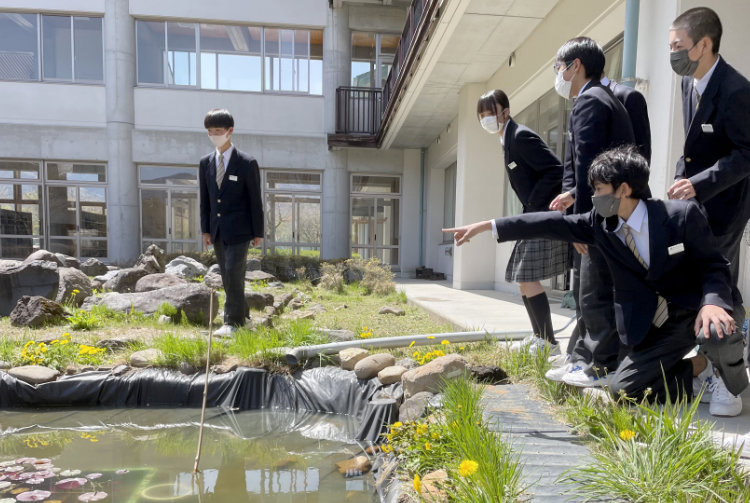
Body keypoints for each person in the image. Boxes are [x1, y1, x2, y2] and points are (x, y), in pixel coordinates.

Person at [444, 146, 748, 411]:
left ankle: (729, 381)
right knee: (624, 391)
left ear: (624, 189)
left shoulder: (681, 216)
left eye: (600, 190)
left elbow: (714, 264)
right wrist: (489, 226)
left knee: (718, 329)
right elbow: (549, 223)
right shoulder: (601, 224)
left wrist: (712, 304)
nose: (593, 198)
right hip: (660, 325)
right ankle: (701, 368)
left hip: (700, 308)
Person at [667, 6, 750, 415]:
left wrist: (698, 184)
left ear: (704, 44)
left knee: (720, 289)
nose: (673, 54)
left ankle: (730, 383)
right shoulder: (689, 83)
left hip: (726, 208)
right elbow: (695, 146)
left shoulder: (736, 90)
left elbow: (746, 156)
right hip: (694, 207)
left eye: (678, 47)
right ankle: (710, 364)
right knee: (699, 285)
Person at [547, 37, 635, 388]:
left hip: (602, 214)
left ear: (576, 66)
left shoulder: (589, 102)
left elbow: (589, 166)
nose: (558, 74)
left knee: (594, 291)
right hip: (614, 211)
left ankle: (599, 366)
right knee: (594, 289)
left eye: (559, 66)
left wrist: (584, 224)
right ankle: (586, 360)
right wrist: (573, 195)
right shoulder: (605, 99)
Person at [477, 89, 569, 352]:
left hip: (540, 215)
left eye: (490, 113)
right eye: (481, 115)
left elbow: (555, 170)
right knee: (522, 278)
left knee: (527, 276)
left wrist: (534, 204)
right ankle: (539, 336)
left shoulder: (520, 136)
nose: (486, 119)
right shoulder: (507, 140)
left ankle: (549, 342)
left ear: (505, 112)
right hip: (532, 214)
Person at [200, 109, 264, 337]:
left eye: (218, 131)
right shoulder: (205, 163)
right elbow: (205, 199)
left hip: (241, 229)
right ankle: (243, 314)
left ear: (230, 131)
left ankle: (232, 322)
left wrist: (258, 232)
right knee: (227, 275)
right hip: (217, 230)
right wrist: (205, 230)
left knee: (233, 270)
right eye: (210, 131)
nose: (214, 135)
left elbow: (255, 199)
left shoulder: (246, 162)